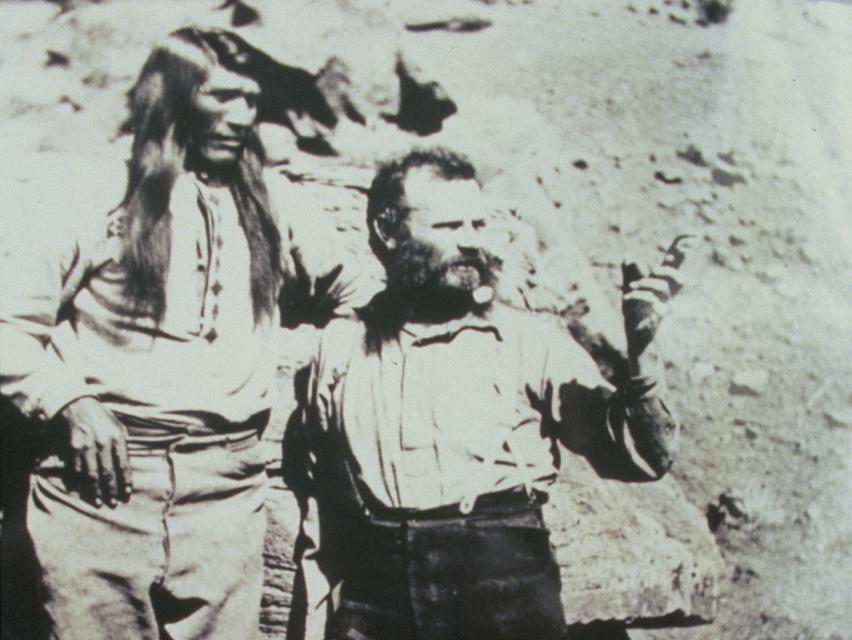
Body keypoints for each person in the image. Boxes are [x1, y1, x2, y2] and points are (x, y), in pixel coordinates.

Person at [0, 27, 355, 640]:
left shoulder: (271, 199)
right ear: (172, 96)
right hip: (101, 488)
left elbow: (351, 288)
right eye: (220, 97)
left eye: (250, 99)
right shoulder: (90, 190)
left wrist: (339, 360)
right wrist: (69, 401)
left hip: (226, 492)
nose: (241, 116)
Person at [289, 148, 689, 640]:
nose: (471, 243)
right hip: (380, 603)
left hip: (503, 595)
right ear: (387, 232)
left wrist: (642, 356)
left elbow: (640, 457)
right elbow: (325, 518)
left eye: (479, 225)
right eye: (450, 226)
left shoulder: (530, 342)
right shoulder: (340, 351)